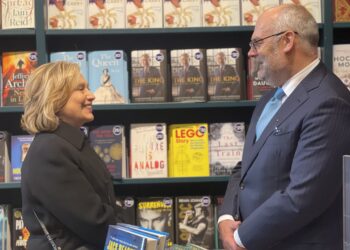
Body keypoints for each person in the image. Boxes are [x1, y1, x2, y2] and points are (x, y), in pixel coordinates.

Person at [218, 4, 350, 250]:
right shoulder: (270, 99)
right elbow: (244, 167)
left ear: (287, 40)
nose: (250, 53)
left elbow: (304, 196)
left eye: (257, 43)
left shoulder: (329, 102)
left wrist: (239, 238)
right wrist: (226, 217)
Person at [21, 61, 123, 250]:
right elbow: (93, 221)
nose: (91, 95)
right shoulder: (50, 151)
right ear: (55, 97)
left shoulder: (68, 143)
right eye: (81, 89)